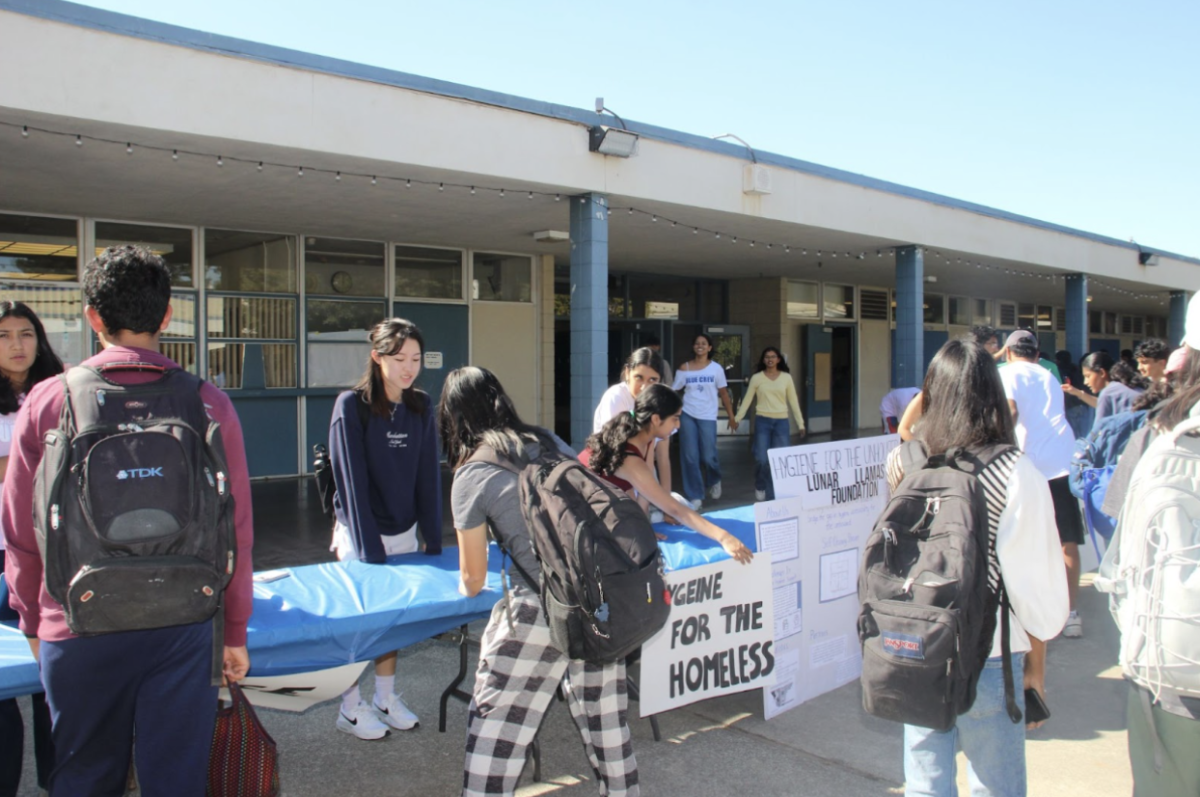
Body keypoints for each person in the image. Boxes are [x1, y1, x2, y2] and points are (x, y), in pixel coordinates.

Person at [1, 245, 254, 796]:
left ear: (92, 317)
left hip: (78, 620)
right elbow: (236, 531)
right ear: (166, 316)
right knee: (176, 777)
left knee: (86, 776)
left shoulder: (48, 401)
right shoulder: (208, 402)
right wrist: (233, 630)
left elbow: (21, 532)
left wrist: (32, 622)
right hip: (185, 620)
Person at [438, 366, 639, 797]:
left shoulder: (471, 474)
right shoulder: (546, 441)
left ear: (454, 418)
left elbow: (472, 578)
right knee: (606, 724)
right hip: (598, 600)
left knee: (496, 726)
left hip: (539, 608)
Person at [889, 339, 1068, 797]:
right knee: (996, 783)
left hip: (916, 643)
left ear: (931, 393)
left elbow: (898, 547)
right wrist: (1036, 663)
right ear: (993, 394)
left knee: (926, 780)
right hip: (987, 651)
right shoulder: (1014, 470)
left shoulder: (904, 462)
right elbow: (1035, 588)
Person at [327, 318, 442, 740]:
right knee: (360, 622)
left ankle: (386, 697)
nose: (408, 368)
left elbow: (428, 474)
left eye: (415, 359)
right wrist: (370, 549)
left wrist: (431, 537)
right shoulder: (350, 405)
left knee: (392, 620)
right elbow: (351, 482)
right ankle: (350, 707)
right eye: (398, 359)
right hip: (360, 534)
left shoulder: (421, 405)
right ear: (377, 358)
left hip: (403, 530)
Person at [581, 384, 753, 564]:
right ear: (656, 419)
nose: (678, 425)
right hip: (576, 517)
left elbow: (636, 494)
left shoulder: (641, 438)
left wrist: (640, 528)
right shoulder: (630, 457)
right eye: (675, 418)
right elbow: (674, 509)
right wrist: (724, 537)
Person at [0, 302, 60, 797]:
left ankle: (58, 778)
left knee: (51, 672)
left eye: (26, 333)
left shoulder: (58, 391)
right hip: (1, 556)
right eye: (4, 335)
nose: (17, 345)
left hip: (48, 553)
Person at [997, 330, 1085, 639]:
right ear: (1036, 354)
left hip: (1027, 466)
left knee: (1019, 537)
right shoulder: (1048, 372)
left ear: (1008, 353)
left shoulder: (1007, 373)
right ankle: (1071, 614)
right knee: (1066, 540)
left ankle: (1024, 611)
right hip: (1060, 463)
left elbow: (1010, 411)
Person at [593, 348, 674, 521]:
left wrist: (668, 508)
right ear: (627, 372)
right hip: (609, 475)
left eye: (653, 380)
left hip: (638, 478)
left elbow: (660, 457)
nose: (645, 387)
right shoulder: (615, 398)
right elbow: (617, 460)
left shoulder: (658, 403)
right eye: (639, 377)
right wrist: (640, 518)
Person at [899, 326, 999, 442]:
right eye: (992, 343)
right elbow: (904, 428)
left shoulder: (986, 388)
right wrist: (923, 454)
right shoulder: (934, 392)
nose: (996, 348)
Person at [671, 333, 737, 509]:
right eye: (697, 343)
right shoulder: (684, 368)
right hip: (687, 415)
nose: (700, 346)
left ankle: (714, 479)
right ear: (693, 347)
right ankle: (695, 495)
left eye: (704, 343)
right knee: (690, 456)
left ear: (709, 348)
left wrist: (731, 416)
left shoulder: (716, 369)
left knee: (709, 456)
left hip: (708, 415)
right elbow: (674, 391)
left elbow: (723, 393)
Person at [734, 347, 807, 501]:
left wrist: (800, 424)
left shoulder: (786, 378)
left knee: (780, 460)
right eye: (767, 356)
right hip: (763, 422)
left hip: (781, 423)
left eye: (773, 356)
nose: (770, 359)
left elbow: (793, 401)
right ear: (763, 360)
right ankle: (760, 484)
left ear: (779, 359)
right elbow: (747, 400)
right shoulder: (757, 378)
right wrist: (737, 418)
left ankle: (773, 494)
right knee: (761, 459)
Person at [1062, 351, 1148, 428]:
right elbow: (1101, 404)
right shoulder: (1122, 387)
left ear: (1102, 373)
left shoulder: (1108, 392)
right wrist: (1078, 393)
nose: (1085, 382)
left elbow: (1098, 433)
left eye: (1088, 376)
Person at [1055, 350, 1093, 439]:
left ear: (1058, 360)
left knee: (1073, 435)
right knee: (1085, 434)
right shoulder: (1077, 369)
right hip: (1084, 404)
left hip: (1070, 405)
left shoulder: (1060, 371)